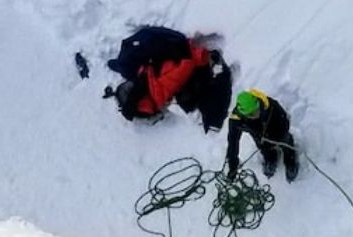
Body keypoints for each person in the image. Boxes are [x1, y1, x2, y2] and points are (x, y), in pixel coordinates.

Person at [100, 26, 236, 126]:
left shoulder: (156, 85)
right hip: (177, 50)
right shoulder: (154, 83)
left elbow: (184, 66)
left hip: (180, 52)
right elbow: (184, 66)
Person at [224, 90, 300, 182]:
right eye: (252, 113)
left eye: (257, 109)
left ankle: (290, 160)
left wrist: (276, 136)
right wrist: (233, 167)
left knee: (284, 140)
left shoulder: (270, 106)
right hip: (258, 134)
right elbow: (233, 143)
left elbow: (285, 121)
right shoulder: (236, 121)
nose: (257, 113)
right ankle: (271, 158)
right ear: (244, 114)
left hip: (276, 128)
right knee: (262, 145)